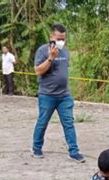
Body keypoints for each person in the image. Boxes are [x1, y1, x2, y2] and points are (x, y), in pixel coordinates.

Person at [32, 23, 85, 162]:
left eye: (63, 39)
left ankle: (74, 151)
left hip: (64, 95)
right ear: (51, 37)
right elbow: (38, 71)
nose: (61, 41)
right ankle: (36, 148)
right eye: (58, 38)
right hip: (47, 95)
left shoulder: (65, 51)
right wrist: (50, 58)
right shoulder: (42, 51)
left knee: (69, 123)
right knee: (42, 122)